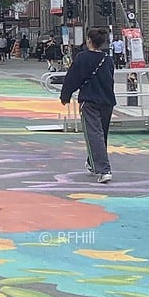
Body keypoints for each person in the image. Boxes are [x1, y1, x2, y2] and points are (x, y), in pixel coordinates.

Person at [60, 27, 115, 184]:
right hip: (107, 101)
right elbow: (109, 80)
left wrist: (65, 95)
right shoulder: (108, 59)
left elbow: (72, 78)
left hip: (90, 100)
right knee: (101, 134)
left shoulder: (82, 58)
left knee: (93, 134)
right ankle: (92, 163)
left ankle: (104, 170)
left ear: (89, 40)